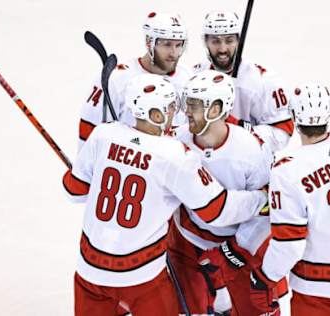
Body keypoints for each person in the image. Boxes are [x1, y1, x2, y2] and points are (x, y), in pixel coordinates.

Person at [62, 74, 268, 316]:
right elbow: (215, 210)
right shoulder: (174, 154)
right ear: (156, 115)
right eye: (171, 107)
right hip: (141, 275)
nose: (178, 112)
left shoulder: (103, 135)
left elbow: (73, 191)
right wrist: (260, 198)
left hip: (89, 271)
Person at [248, 83, 330, 315]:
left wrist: (264, 277)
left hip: (317, 288)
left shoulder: (287, 170)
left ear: (294, 116)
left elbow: (289, 244)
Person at [167, 70, 286, 315]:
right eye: (187, 103)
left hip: (238, 246)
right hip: (187, 242)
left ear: (216, 110)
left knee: (257, 309)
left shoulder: (253, 151)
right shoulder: (175, 142)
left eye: (195, 105)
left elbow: (267, 214)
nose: (186, 111)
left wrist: (233, 251)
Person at [79, 11, 191, 150]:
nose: (174, 53)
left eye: (178, 45)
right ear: (149, 42)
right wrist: (82, 168)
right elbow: (90, 131)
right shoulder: (117, 79)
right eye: (167, 44)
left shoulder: (188, 79)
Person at [193, 11, 294, 152]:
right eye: (215, 41)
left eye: (229, 41)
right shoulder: (195, 77)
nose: (222, 49)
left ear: (238, 41)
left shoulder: (263, 81)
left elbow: (282, 132)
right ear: (206, 42)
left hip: (247, 163)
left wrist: (237, 129)